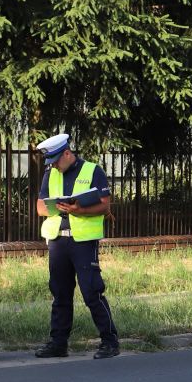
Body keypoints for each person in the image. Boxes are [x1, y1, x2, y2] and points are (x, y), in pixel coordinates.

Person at [33, 133, 119, 359]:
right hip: (58, 240)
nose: (53, 166)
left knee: (92, 291)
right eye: (50, 162)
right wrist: (58, 207)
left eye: (56, 161)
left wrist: (79, 211)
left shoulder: (93, 170)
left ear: (68, 153)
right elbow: (40, 208)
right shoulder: (50, 173)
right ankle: (58, 344)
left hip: (83, 241)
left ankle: (110, 342)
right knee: (60, 293)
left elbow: (104, 206)